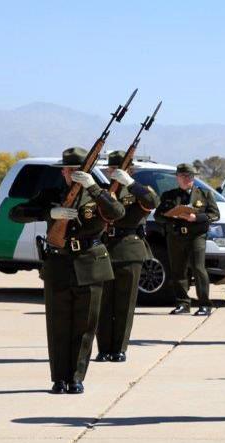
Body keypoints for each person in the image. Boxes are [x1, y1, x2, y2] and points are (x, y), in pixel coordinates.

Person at [10, 147, 125, 394]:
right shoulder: (51, 194)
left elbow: (118, 213)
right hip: (58, 264)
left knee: (85, 327)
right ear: (62, 172)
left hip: (90, 264)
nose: (71, 174)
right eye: (68, 170)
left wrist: (93, 187)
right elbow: (15, 213)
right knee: (58, 324)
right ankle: (59, 378)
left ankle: (76, 377)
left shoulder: (100, 195)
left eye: (77, 170)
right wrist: (48, 212)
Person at [95, 151, 159, 363]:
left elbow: (152, 201)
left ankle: (119, 348)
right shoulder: (103, 191)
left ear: (129, 170)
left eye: (119, 170)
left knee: (125, 303)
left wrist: (130, 183)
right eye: (112, 170)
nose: (114, 173)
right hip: (104, 249)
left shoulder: (140, 190)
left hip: (129, 249)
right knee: (104, 304)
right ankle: (104, 348)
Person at [154, 163, 220, 316]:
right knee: (178, 270)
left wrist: (196, 217)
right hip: (176, 236)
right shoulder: (169, 196)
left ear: (193, 178)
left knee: (198, 268)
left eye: (189, 176)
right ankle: (183, 303)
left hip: (196, 236)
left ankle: (205, 304)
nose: (186, 179)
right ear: (177, 178)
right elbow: (158, 216)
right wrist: (172, 216)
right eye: (182, 176)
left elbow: (215, 215)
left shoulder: (204, 194)